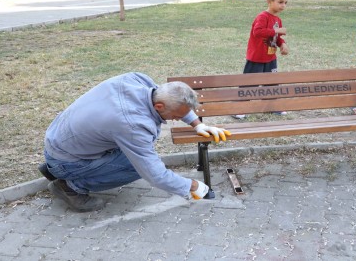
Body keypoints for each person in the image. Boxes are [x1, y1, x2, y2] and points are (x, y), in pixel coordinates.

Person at [38, 72, 231, 212]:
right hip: (67, 156)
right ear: (159, 106)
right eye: (174, 116)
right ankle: (70, 186)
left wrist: (197, 125)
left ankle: (54, 168)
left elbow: (177, 101)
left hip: (61, 140)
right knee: (137, 167)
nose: (174, 119)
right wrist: (192, 187)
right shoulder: (132, 124)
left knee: (140, 157)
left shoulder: (137, 80)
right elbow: (155, 175)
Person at [234, 0, 290, 119]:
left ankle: (271, 106)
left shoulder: (277, 19)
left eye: (286, 3)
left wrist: (282, 44)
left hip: (270, 57)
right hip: (257, 57)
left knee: (271, 82)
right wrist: (276, 30)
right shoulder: (263, 17)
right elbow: (257, 32)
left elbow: (277, 36)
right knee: (250, 83)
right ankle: (239, 108)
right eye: (280, 2)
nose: (283, 5)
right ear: (269, 1)